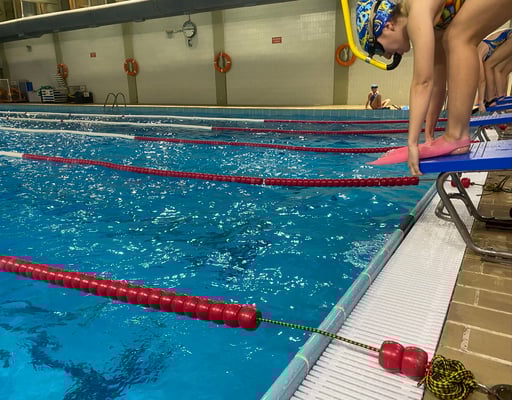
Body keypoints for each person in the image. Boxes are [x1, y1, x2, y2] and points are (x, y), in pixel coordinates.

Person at [356, 0, 512, 176]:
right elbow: (437, 79)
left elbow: (423, 82)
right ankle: (456, 134)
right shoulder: (434, 22)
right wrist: (428, 136)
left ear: (388, 26)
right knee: (453, 38)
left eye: (378, 49)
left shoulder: (416, 13)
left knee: (458, 37)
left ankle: (457, 135)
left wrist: (412, 144)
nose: (386, 56)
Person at [477, 29, 512, 111]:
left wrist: (481, 101)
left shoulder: (476, 54)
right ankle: (501, 96)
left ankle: (491, 99)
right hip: (508, 37)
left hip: (509, 36)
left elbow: (482, 81)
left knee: (488, 65)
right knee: (498, 70)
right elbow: (484, 78)